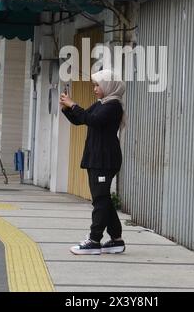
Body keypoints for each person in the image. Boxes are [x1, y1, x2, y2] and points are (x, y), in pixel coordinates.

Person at [60, 69, 126, 255]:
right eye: (94, 85)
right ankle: (116, 239)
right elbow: (82, 119)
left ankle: (94, 240)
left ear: (108, 86)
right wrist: (67, 109)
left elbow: (94, 120)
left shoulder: (113, 105)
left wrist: (73, 105)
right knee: (103, 198)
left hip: (105, 159)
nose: (95, 89)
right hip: (96, 158)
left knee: (100, 199)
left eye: (98, 85)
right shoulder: (101, 104)